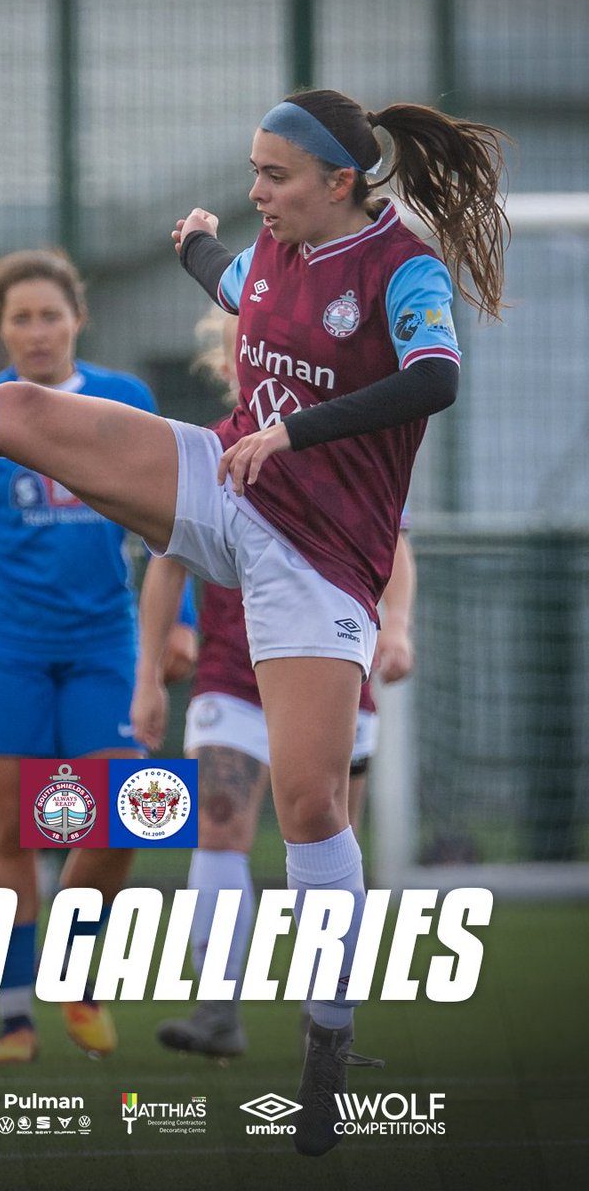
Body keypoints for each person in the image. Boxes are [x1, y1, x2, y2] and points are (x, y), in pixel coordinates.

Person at [0, 88, 508, 1156]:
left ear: (341, 183)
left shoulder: (404, 269)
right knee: (19, 414)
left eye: (274, 177)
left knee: (307, 805)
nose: (255, 192)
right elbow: (240, 286)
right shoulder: (268, 249)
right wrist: (200, 248)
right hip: (225, 487)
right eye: (250, 174)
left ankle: (329, 1038)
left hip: (319, 560)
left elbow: (436, 379)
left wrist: (295, 430)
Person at [0, 248, 177, 1064]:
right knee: (10, 834)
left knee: (128, 812)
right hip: (1, 648)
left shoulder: (127, 400)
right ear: (2, 327)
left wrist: (181, 619)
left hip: (105, 644)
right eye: (19, 317)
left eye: (49, 315)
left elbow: (169, 515)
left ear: (77, 320)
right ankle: (15, 1017)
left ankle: (77, 975)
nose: (36, 330)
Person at [132, 307, 417, 1062]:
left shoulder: (347, 445)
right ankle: (218, 1009)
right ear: (225, 364)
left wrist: (397, 625)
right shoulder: (205, 452)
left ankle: (325, 1023)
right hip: (232, 672)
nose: (246, 359)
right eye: (234, 351)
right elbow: (164, 564)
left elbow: (397, 544)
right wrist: (148, 678)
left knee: (326, 833)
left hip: (328, 672)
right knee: (218, 823)